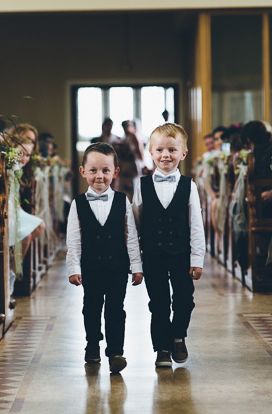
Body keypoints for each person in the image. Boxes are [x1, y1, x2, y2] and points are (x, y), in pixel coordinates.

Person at [132, 122, 205, 368]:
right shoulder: (141, 186)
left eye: (172, 150)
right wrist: (135, 262)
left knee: (185, 300)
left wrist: (197, 259)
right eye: (160, 150)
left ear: (183, 154)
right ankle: (162, 348)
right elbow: (135, 226)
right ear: (151, 153)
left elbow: (196, 224)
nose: (166, 155)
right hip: (152, 256)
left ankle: (178, 335)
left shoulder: (189, 186)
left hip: (181, 255)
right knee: (159, 303)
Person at [67, 142, 143, 374]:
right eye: (93, 170)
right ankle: (92, 344)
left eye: (105, 170)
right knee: (91, 306)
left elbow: (131, 236)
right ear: (83, 172)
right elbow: (73, 239)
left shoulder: (123, 201)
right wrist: (73, 267)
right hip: (90, 267)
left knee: (115, 309)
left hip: (117, 267)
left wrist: (136, 266)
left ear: (115, 172)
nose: (99, 176)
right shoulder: (77, 203)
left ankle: (116, 352)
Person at [7, 123, 46, 256]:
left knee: (40, 225)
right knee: (27, 236)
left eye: (28, 155)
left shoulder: (19, 169)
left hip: (15, 208)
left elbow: (16, 198)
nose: (24, 158)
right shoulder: (8, 169)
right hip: (6, 211)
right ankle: (12, 269)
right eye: (21, 154)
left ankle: (12, 258)